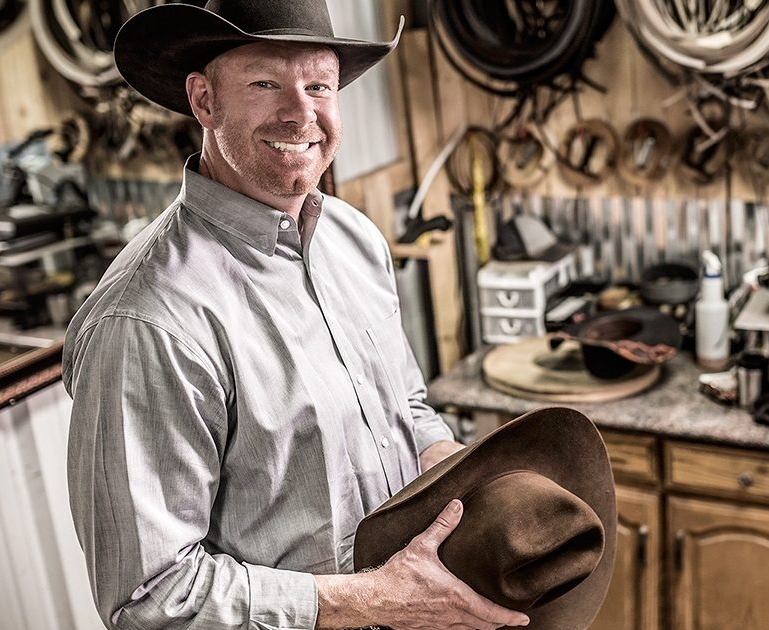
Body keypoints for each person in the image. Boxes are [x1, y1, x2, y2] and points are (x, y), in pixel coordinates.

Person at [62, 2, 530, 629]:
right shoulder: (149, 320)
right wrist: (375, 599)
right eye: (265, 84)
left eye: (319, 86)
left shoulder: (354, 240)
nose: (301, 113)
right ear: (203, 101)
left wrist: (475, 484)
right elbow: (149, 598)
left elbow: (406, 412)